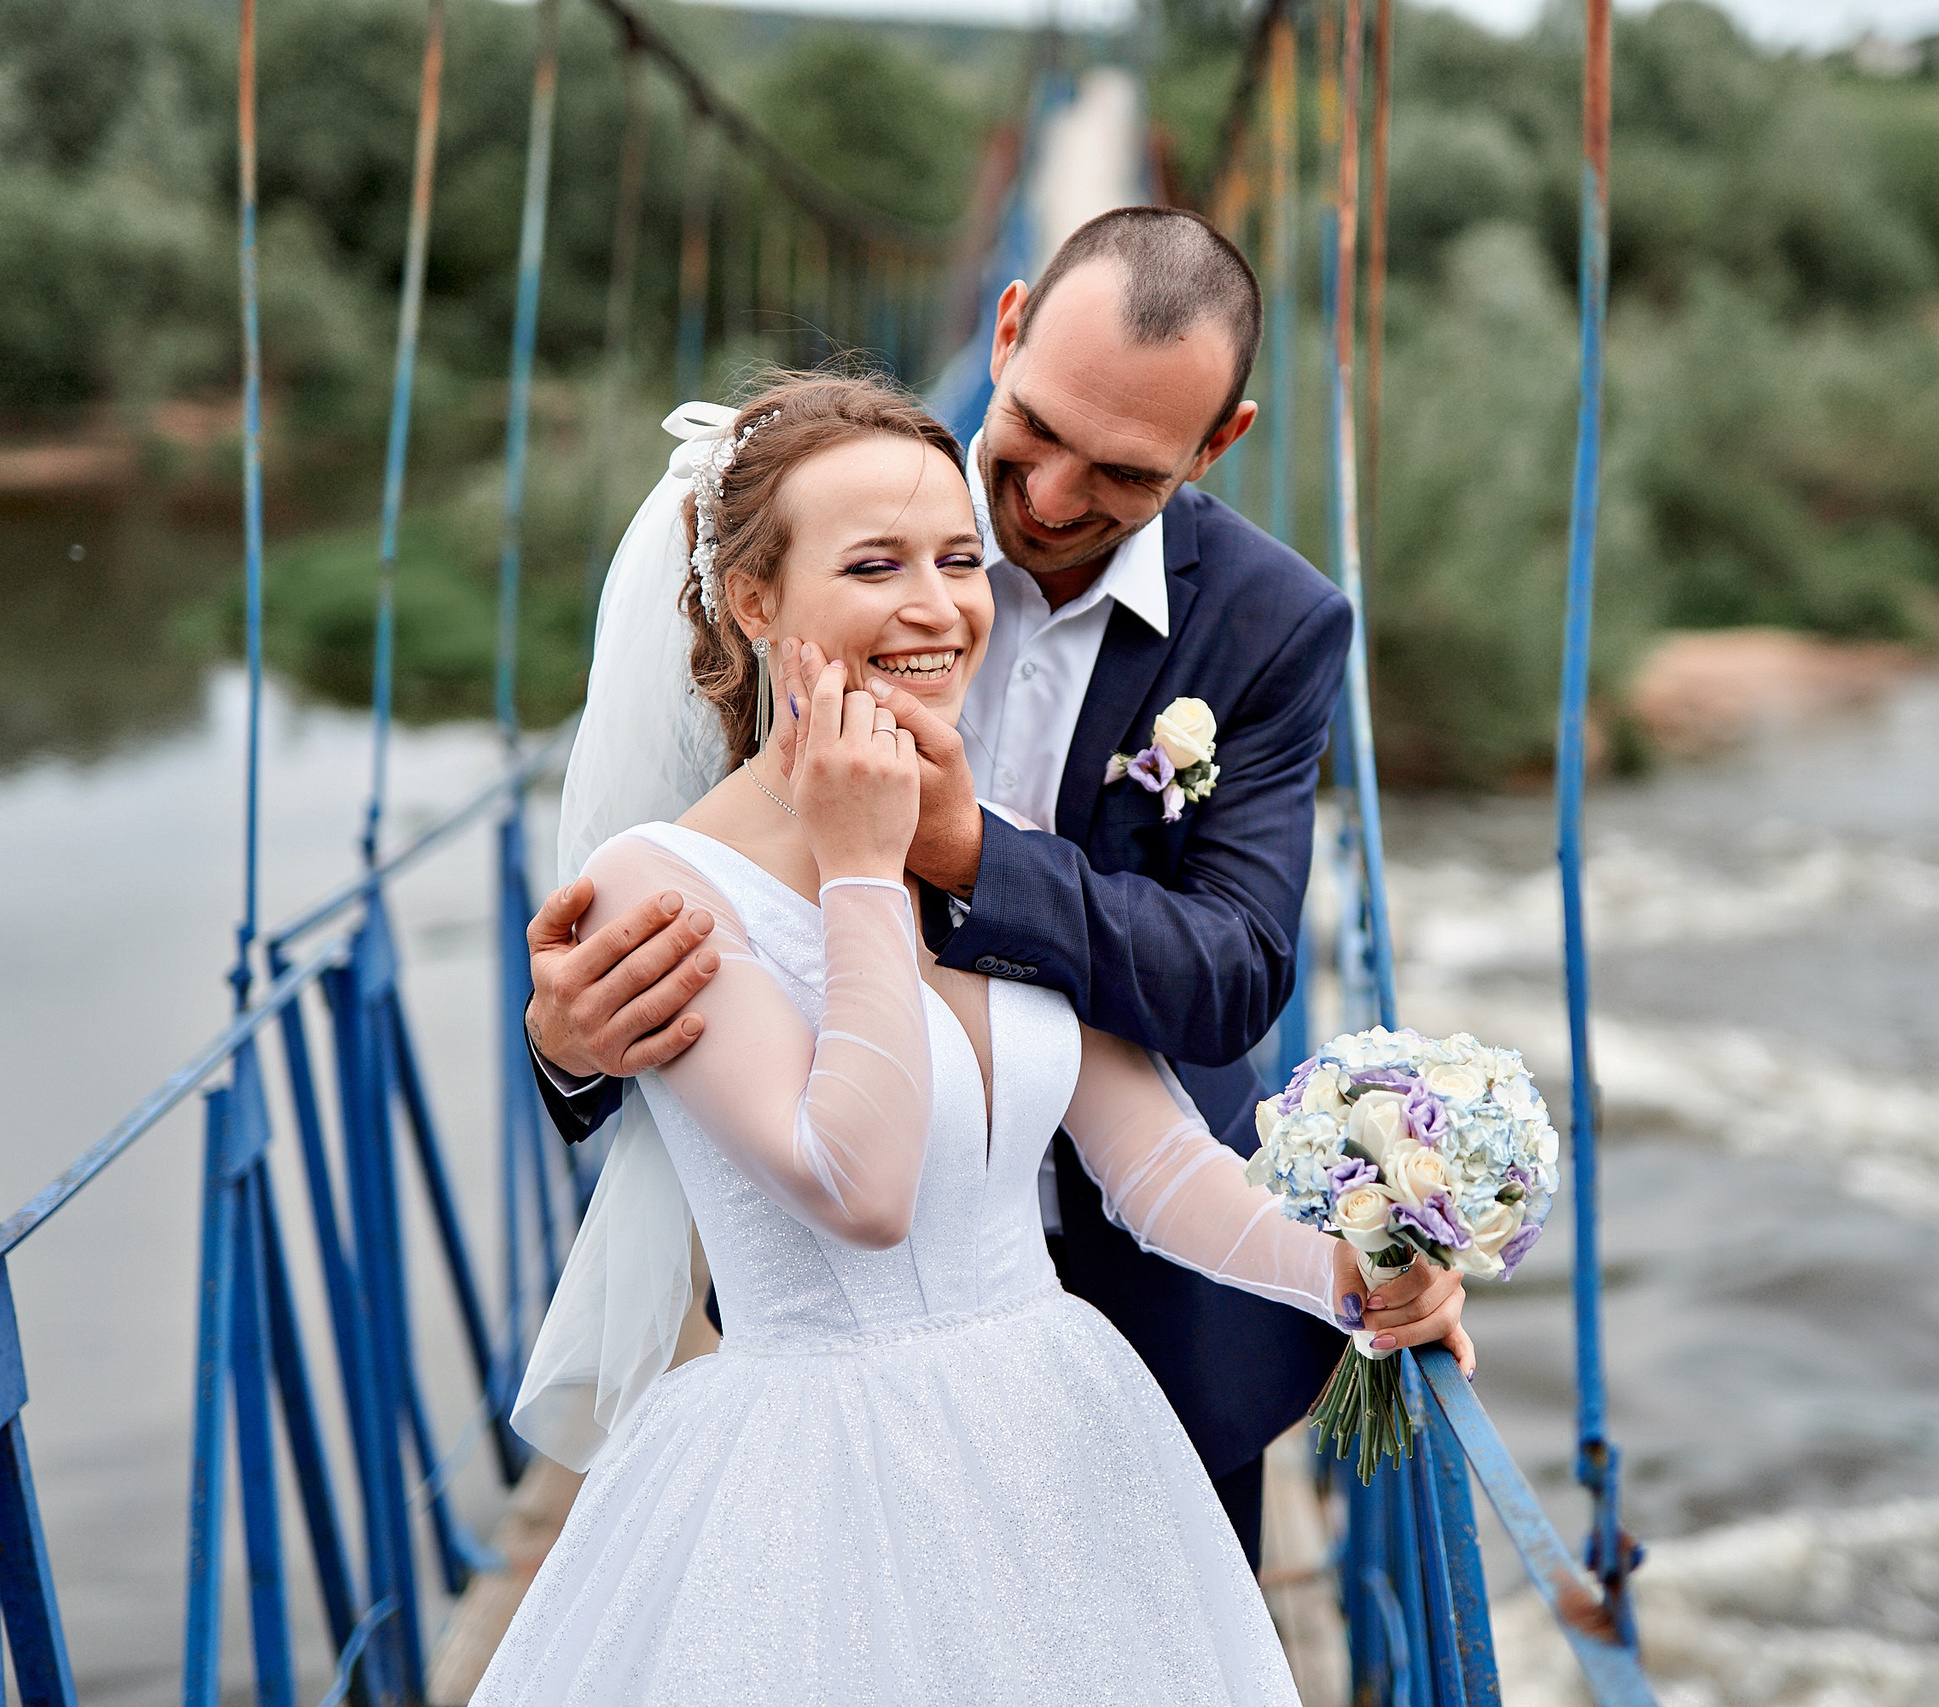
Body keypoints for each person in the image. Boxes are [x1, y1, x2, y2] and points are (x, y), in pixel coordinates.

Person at [472, 375, 1470, 1705]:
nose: (939, 607)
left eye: (958, 559)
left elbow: (1155, 1165)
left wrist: (1352, 1271)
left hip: (1065, 1435)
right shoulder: (665, 887)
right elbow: (860, 1186)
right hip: (827, 1489)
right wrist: (865, 871)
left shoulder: (984, 833)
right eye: (875, 564)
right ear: (753, 603)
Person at [523, 208, 1357, 1566]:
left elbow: (1232, 979)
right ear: (1007, 326)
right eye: (1033, 432)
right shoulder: (832, 505)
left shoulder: (1274, 623)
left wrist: (1365, 1272)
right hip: (832, 1369)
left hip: (1149, 1343)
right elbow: (663, 915)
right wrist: (569, 1047)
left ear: (1219, 447)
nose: (1044, 504)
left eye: (1126, 473)